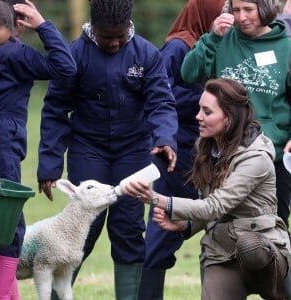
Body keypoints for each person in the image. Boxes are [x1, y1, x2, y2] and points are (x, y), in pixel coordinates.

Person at [36, 0, 178, 299]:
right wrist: (49, 165)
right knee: (80, 227)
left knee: (128, 228)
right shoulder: (75, 55)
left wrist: (164, 138)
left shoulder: (146, 54)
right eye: (106, 38)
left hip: (133, 150)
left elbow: (161, 102)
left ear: (130, 26)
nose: (114, 44)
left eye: (121, 37)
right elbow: (55, 110)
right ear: (93, 27)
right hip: (88, 148)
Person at [124, 77, 291, 300]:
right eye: (199, 109)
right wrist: (186, 226)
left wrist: (158, 200)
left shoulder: (256, 158)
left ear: (228, 118)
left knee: (249, 245)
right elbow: (213, 204)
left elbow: (215, 206)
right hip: (221, 252)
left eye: (207, 112)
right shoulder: (206, 147)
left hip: (261, 247)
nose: (198, 117)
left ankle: (279, 290)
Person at [138, 1, 226, 299]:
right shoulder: (180, 46)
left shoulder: (227, 45)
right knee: (164, 228)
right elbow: (160, 94)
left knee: (217, 229)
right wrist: (208, 102)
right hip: (180, 151)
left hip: (214, 151)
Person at [181, 0, 291, 232]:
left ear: (266, 8)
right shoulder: (222, 39)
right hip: (223, 153)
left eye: (249, 10)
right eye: (236, 10)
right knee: (217, 224)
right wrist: (212, 37)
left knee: (271, 231)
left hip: (272, 157)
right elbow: (188, 73)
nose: (241, 18)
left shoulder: (286, 47)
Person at [0, 0, 77, 299]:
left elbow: (65, 66)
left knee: (7, 220)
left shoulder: (18, 55)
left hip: (4, 148)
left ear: (13, 31)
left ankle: (6, 292)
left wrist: (43, 26)